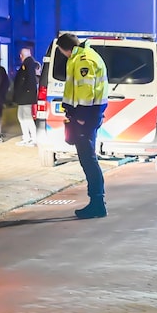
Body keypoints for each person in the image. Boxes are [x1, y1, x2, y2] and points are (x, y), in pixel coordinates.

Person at [57, 33, 109, 219]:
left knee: (88, 160)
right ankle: (96, 202)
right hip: (86, 116)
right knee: (88, 159)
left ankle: (97, 203)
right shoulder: (86, 55)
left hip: (85, 118)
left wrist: (80, 117)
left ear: (64, 49)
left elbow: (86, 90)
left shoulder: (82, 60)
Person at [12, 46, 40, 146]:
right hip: (24, 95)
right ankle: (27, 137)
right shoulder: (29, 63)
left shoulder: (28, 64)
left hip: (26, 96)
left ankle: (33, 138)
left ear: (21, 56)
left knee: (26, 117)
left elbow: (30, 79)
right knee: (22, 116)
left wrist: (27, 91)